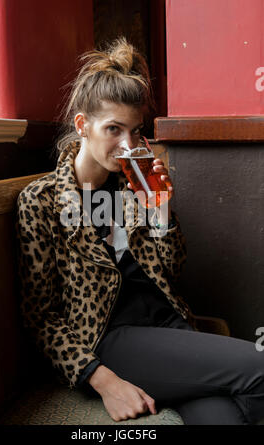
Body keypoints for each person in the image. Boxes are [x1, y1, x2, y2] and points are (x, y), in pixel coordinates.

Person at [16, 37, 264, 425]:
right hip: (110, 337)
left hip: (168, 323)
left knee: (221, 419)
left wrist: (161, 211)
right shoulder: (42, 201)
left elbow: (170, 269)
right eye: (113, 129)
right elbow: (40, 316)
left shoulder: (136, 185)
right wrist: (103, 380)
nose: (127, 145)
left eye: (135, 131)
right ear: (83, 125)